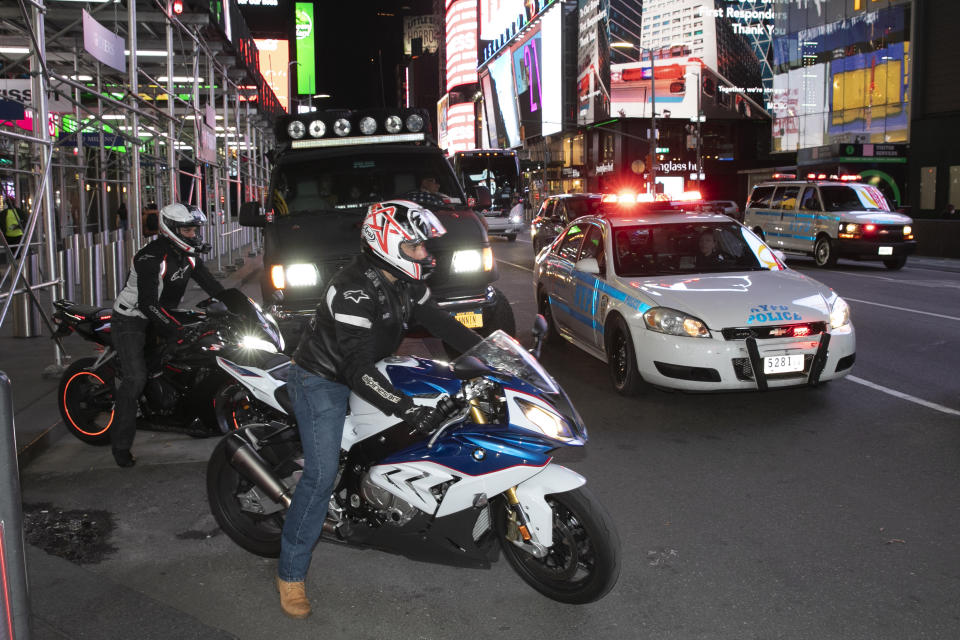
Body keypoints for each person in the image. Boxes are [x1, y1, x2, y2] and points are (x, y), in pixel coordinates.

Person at [276, 199, 482, 619]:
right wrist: (406, 409)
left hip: (371, 365)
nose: (425, 254)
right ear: (388, 243)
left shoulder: (407, 282)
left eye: (425, 247)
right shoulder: (352, 289)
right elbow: (354, 370)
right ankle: (291, 574)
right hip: (322, 379)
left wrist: (494, 358)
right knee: (320, 475)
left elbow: (444, 326)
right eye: (416, 247)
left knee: (442, 408)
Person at [110, 203, 223, 468]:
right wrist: (177, 331)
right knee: (135, 379)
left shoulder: (189, 255)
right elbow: (148, 305)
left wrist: (242, 308)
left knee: (203, 342)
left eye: (195, 229)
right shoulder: (151, 257)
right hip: (132, 319)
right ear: (170, 229)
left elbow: (214, 286)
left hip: (163, 313)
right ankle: (120, 445)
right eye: (187, 229)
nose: (193, 234)